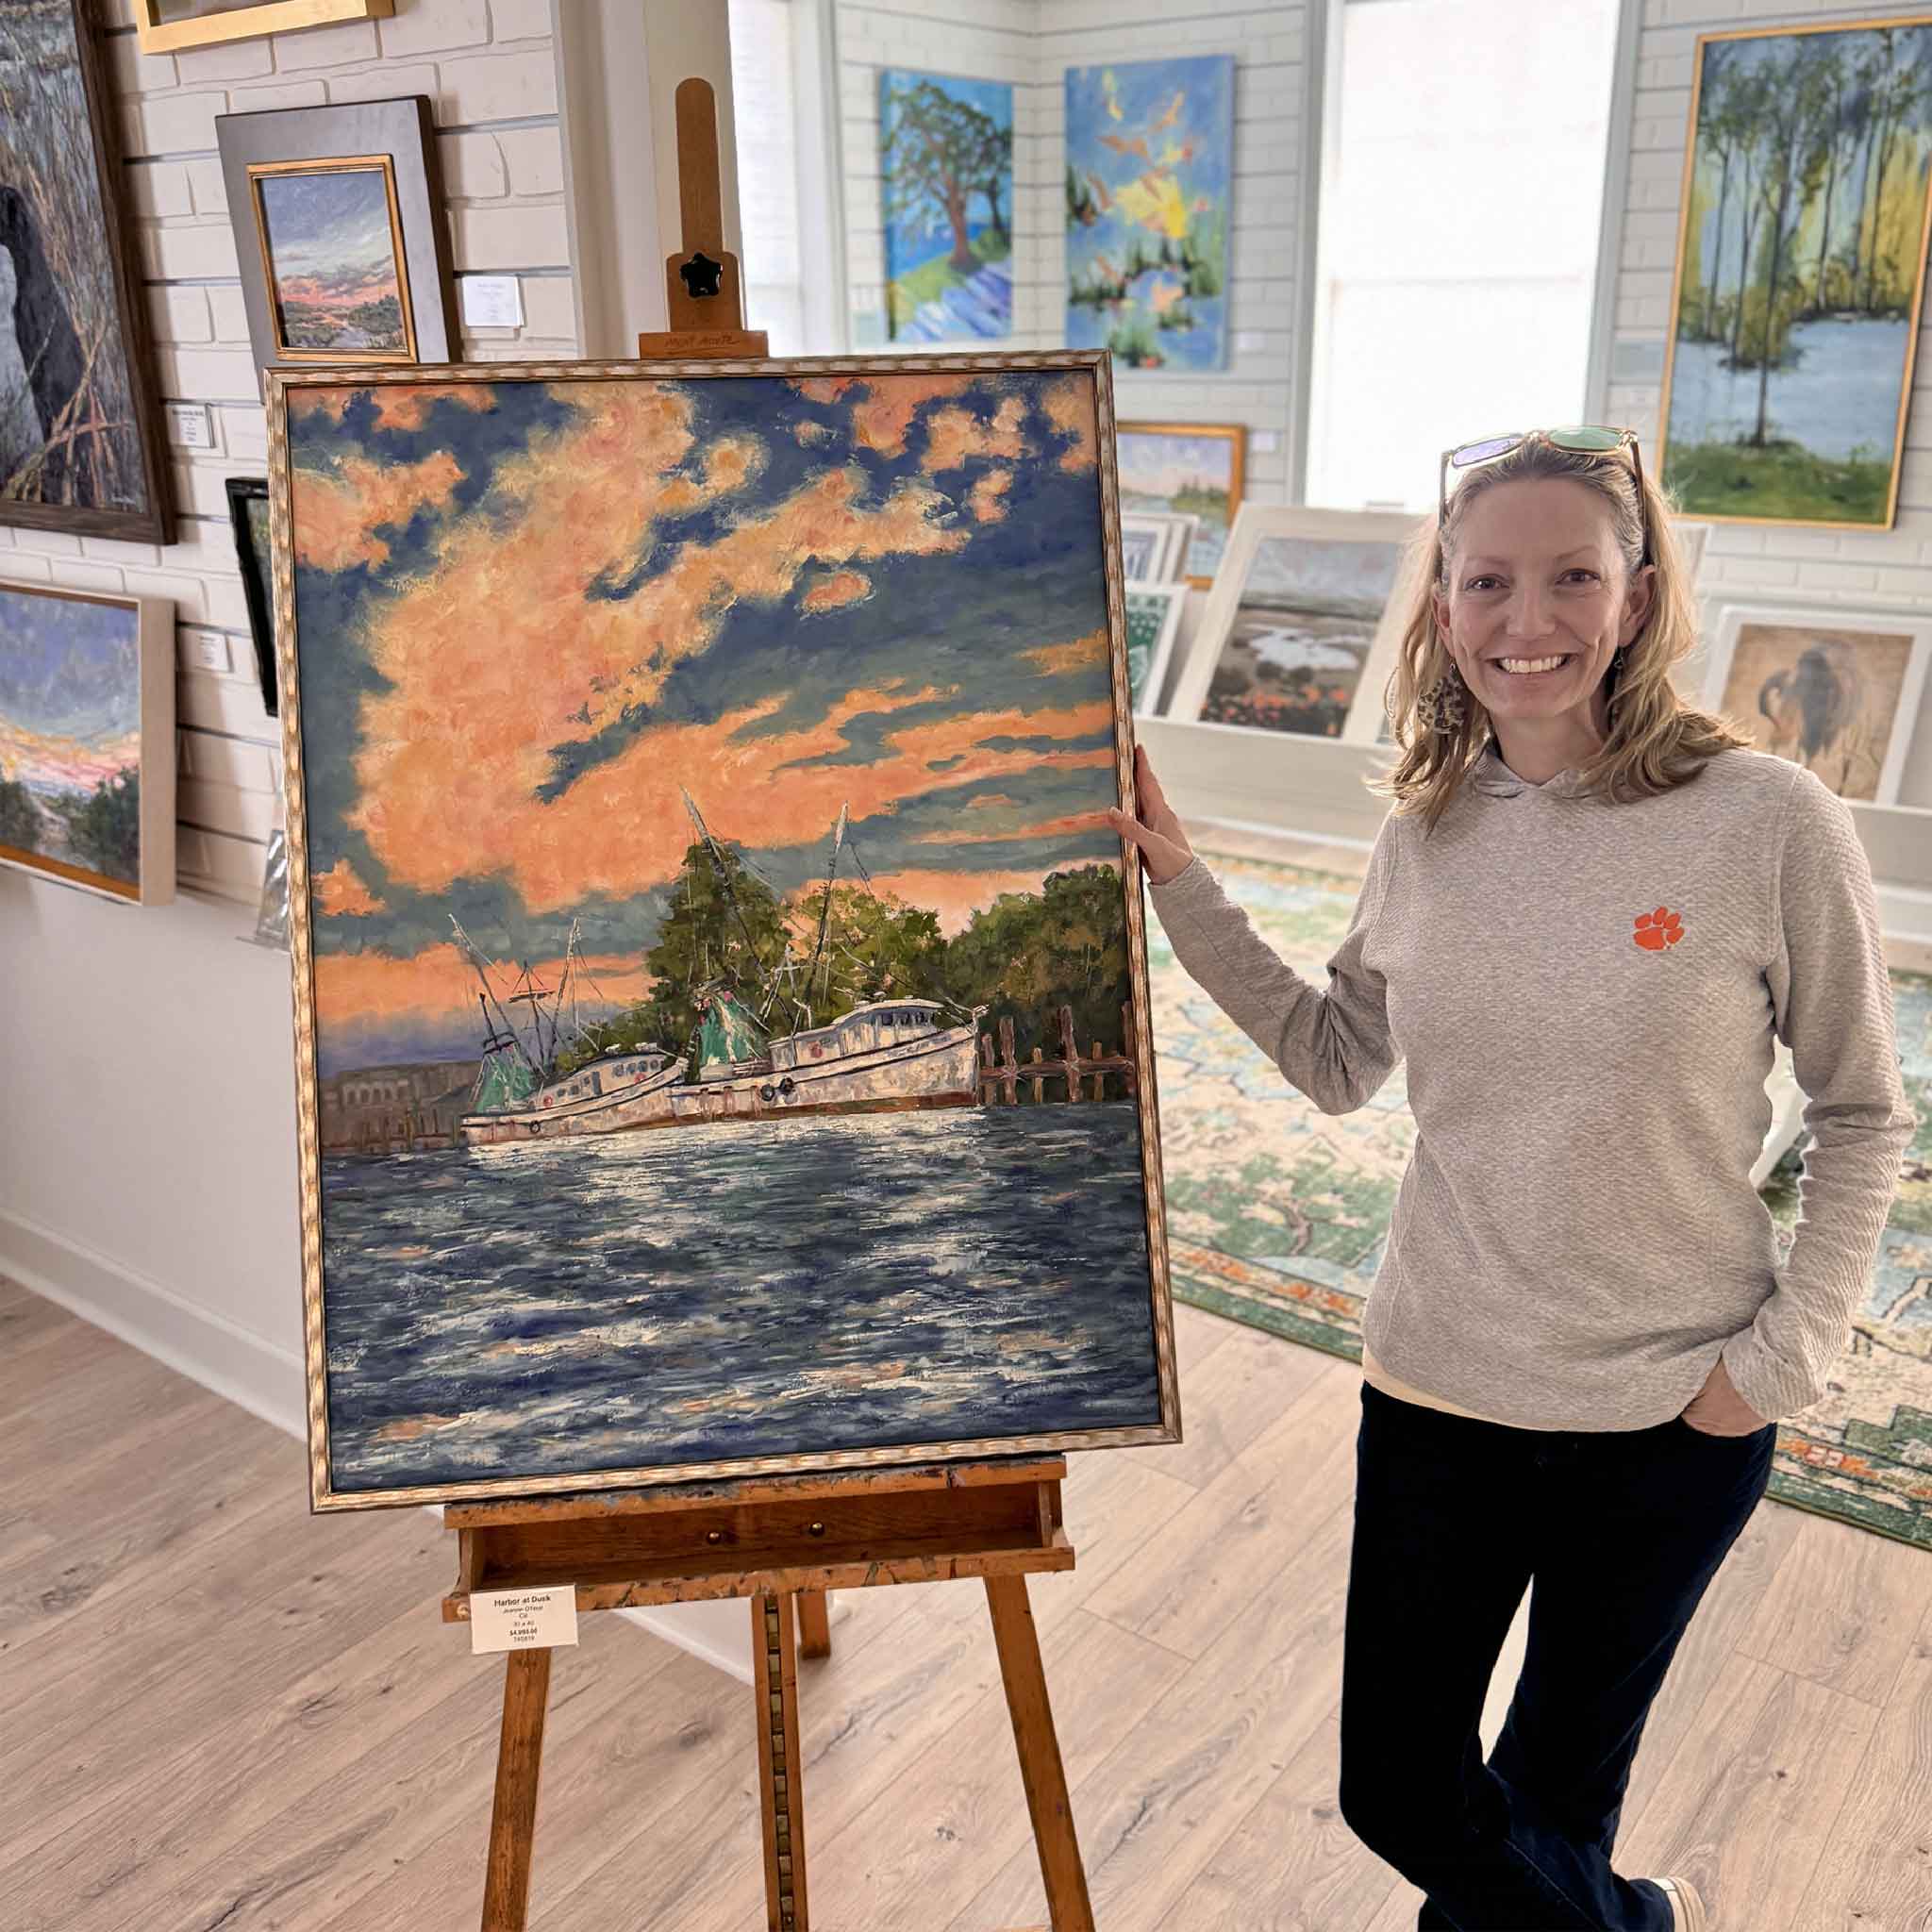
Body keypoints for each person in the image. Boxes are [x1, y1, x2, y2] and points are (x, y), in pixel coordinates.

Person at [1104, 426, 1917, 1932]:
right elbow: (1337, 1056)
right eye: (1487, 581)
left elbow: (1865, 1112)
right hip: (1442, 1390)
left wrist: (1777, 1364)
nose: (1524, 620)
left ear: (1637, 592)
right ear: (1443, 602)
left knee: (1545, 1813)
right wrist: (1180, 880)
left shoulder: (1767, 822)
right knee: (1401, 1790)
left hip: (1673, 1411)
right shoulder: (1426, 827)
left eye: (1570, 577)